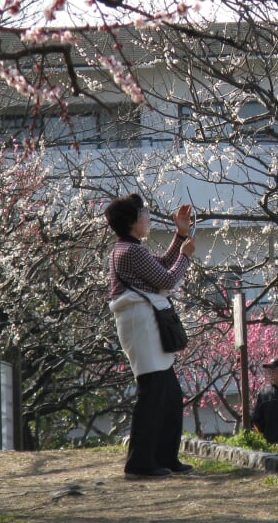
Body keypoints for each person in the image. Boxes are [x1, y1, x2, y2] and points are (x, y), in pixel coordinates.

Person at [106, 193, 196, 480]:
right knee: (153, 394)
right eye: (143, 214)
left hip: (143, 322)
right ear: (133, 222)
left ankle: (164, 457)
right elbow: (167, 279)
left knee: (168, 394)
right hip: (140, 324)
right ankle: (140, 463)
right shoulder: (130, 251)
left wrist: (180, 235)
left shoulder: (130, 249)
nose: (147, 218)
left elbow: (159, 266)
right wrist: (185, 256)